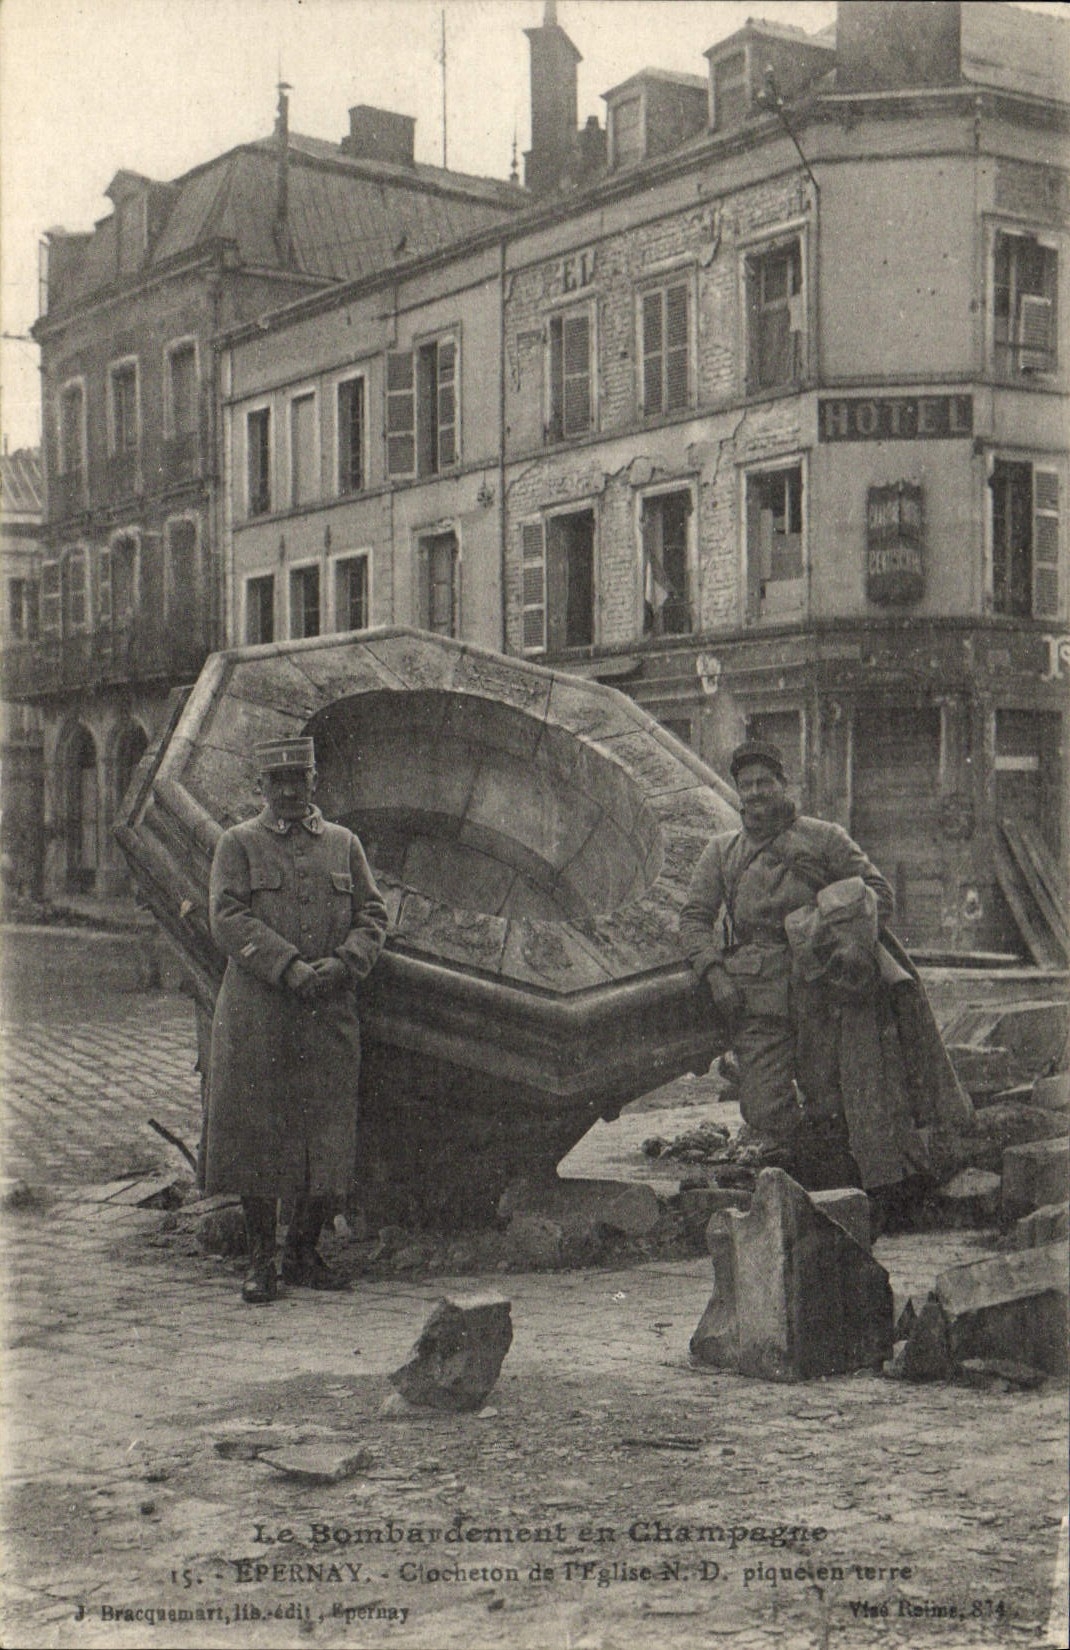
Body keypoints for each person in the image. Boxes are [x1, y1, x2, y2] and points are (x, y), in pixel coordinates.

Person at [679, 738, 970, 1208]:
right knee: (764, 1105)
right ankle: (810, 1183)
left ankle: (836, 1201)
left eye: (764, 782)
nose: (755, 793)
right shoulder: (721, 852)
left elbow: (879, 892)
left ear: (783, 784)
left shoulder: (824, 837)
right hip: (757, 996)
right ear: (737, 791)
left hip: (826, 991)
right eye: (746, 785)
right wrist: (714, 972)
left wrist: (838, 935)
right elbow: (693, 918)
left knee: (831, 1101)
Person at [204, 736, 389, 1303]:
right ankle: (262, 1262)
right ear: (262, 787)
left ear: (314, 782)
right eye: (277, 781)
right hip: (261, 1013)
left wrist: (347, 961)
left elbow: (373, 913)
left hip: (328, 1011)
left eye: (299, 779)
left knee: (325, 1137)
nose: (289, 791)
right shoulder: (237, 844)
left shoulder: (343, 844)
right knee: (259, 1136)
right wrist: (286, 967)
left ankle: (305, 1252)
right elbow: (228, 917)